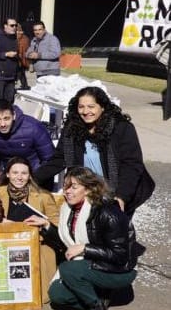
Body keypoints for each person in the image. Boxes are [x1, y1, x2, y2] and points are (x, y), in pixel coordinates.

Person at [26, 167, 137, 310]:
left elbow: (121, 255)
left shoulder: (108, 213)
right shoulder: (69, 209)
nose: (67, 192)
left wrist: (85, 248)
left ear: (88, 189)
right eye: (66, 186)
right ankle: (99, 296)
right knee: (57, 295)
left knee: (67, 269)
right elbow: (69, 243)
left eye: (74, 187)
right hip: (91, 264)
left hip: (118, 270)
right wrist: (47, 225)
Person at [34, 86, 154, 218]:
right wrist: (32, 179)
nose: (85, 111)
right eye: (81, 107)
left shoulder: (121, 128)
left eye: (91, 107)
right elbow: (59, 159)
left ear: (102, 107)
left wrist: (121, 197)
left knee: (114, 233)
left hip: (116, 191)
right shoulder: (72, 128)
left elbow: (131, 165)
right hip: (85, 191)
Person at [0, 156, 60, 303]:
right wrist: (0, 221)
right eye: (15, 173)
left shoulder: (43, 196)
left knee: (42, 296)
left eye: (24, 173)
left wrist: (44, 222)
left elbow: (57, 226)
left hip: (37, 243)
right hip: (6, 243)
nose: (19, 177)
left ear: (29, 175)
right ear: (7, 174)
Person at [0, 99, 55, 184]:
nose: (3, 124)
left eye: (6, 118)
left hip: (33, 168)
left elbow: (49, 158)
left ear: (14, 115)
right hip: (6, 169)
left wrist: (36, 179)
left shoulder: (33, 127)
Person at [0, 17, 20, 103]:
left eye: (16, 25)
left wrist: (16, 75)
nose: (14, 27)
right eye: (12, 25)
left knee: (9, 103)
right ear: (5, 26)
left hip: (11, 77)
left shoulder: (14, 39)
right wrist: (5, 54)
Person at [15, 24, 31, 90]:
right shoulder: (25, 37)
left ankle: (25, 85)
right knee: (21, 72)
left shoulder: (23, 38)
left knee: (21, 72)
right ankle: (25, 85)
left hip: (21, 58)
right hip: (21, 58)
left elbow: (25, 48)